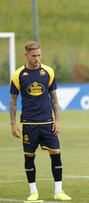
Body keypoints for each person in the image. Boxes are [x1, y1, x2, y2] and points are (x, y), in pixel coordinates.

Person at [10, 41, 72, 201]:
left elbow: (54, 99)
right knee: (29, 156)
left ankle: (58, 191)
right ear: (26, 56)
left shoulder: (48, 72)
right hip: (29, 123)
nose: (37, 58)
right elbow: (13, 101)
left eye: (39, 55)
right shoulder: (18, 75)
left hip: (47, 123)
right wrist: (13, 124)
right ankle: (33, 192)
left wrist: (58, 120)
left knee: (56, 154)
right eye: (33, 56)